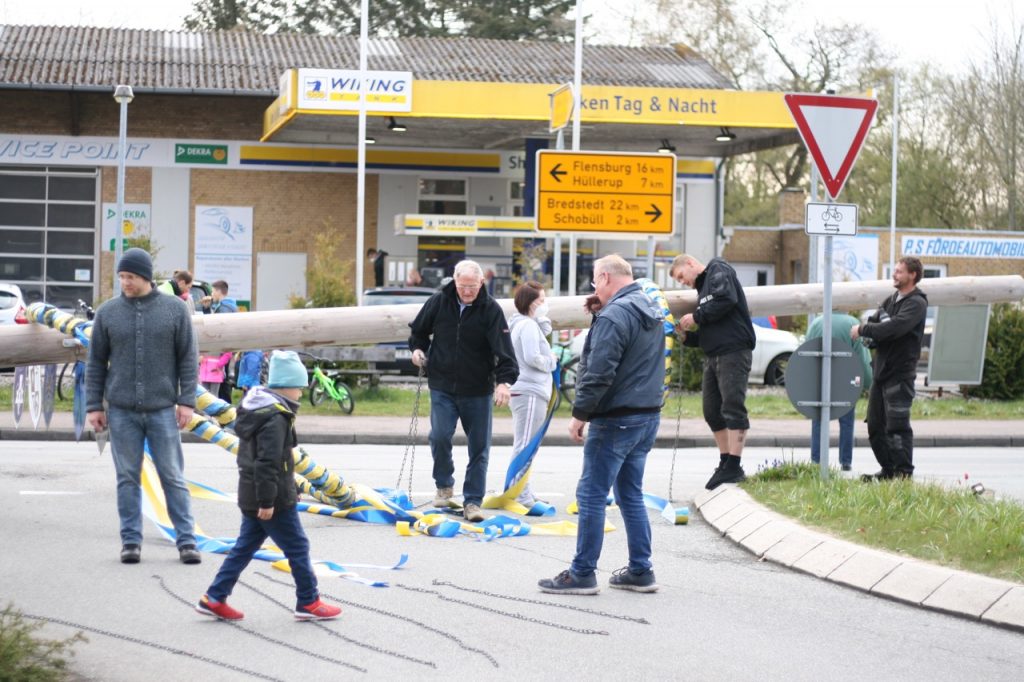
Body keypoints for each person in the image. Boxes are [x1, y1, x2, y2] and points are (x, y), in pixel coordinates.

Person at [538, 255, 665, 595]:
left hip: (616, 417)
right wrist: (600, 314)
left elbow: (599, 369)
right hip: (647, 414)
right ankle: (641, 570)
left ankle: (582, 573)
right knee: (630, 494)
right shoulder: (648, 307)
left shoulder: (615, 315)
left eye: (596, 281)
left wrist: (580, 414)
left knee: (591, 495)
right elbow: (634, 357)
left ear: (606, 277)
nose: (594, 287)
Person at [196, 350, 342, 622]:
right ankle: (308, 601)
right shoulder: (275, 418)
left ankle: (215, 597)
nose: (301, 393)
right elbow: (267, 463)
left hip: (255, 493)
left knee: (244, 548)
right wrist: (267, 501)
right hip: (271, 499)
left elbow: (271, 461)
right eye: (299, 387)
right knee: (298, 547)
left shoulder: (260, 410)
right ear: (286, 386)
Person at [85, 247, 201, 565]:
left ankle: (187, 541)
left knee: (172, 477)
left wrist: (186, 401)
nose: (125, 282)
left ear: (146, 277)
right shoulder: (108, 313)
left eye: (131, 277)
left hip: (164, 409)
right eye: (122, 276)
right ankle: (131, 542)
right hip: (121, 411)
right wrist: (94, 405)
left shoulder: (175, 311)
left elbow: (189, 359)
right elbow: (95, 363)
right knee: (127, 478)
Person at [408, 259, 519, 523]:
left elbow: (505, 352)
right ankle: (444, 484)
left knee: (479, 448)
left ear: (482, 283)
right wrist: (417, 349)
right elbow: (418, 331)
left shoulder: (490, 310)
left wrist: (503, 383)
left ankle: (472, 502)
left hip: (478, 389)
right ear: (454, 281)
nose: (467, 291)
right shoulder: (439, 301)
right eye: (462, 286)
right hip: (443, 385)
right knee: (439, 436)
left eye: (472, 286)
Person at [670, 253, 756, 490]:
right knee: (711, 411)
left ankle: (734, 465)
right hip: (714, 354)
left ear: (689, 263)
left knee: (732, 406)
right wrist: (687, 337)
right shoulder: (702, 291)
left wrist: (696, 316)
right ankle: (726, 461)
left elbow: (726, 299)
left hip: (734, 351)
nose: (682, 282)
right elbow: (711, 328)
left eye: (681, 276)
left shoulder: (718, 269)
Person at [851, 256, 928, 481]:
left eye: (899, 272)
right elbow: (878, 324)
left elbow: (894, 328)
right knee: (875, 426)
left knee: (897, 426)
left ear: (912, 275)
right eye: (894, 271)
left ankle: (903, 474)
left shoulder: (916, 303)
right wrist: (872, 334)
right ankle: (888, 470)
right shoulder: (891, 300)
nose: (894, 275)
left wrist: (865, 329)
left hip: (900, 375)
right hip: (881, 374)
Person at [508, 281, 557, 507]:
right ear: (530, 302)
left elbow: (544, 330)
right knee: (526, 445)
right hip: (529, 391)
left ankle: (519, 488)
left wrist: (540, 316)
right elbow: (531, 357)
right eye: (541, 301)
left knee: (526, 444)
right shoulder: (526, 326)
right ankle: (520, 493)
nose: (544, 304)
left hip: (529, 391)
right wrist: (552, 362)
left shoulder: (524, 323)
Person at [807, 311, 873, 472]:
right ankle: (845, 461)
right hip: (846, 381)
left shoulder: (817, 323)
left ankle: (816, 461)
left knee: (819, 421)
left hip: (820, 380)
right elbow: (861, 357)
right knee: (847, 422)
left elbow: (805, 353)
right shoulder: (852, 323)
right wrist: (868, 382)